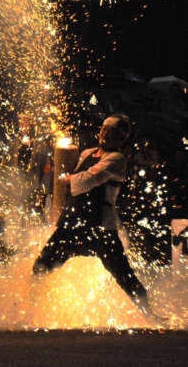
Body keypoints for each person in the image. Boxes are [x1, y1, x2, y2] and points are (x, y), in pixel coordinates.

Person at [32, 115, 161, 321]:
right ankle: (27, 307)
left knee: (123, 273)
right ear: (102, 131)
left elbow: (89, 179)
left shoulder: (116, 159)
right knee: (43, 264)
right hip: (73, 222)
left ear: (122, 138)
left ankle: (150, 316)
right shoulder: (87, 153)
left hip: (99, 225)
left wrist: (68, 179)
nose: (109, 136)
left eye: (116, 134)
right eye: (107, 130)